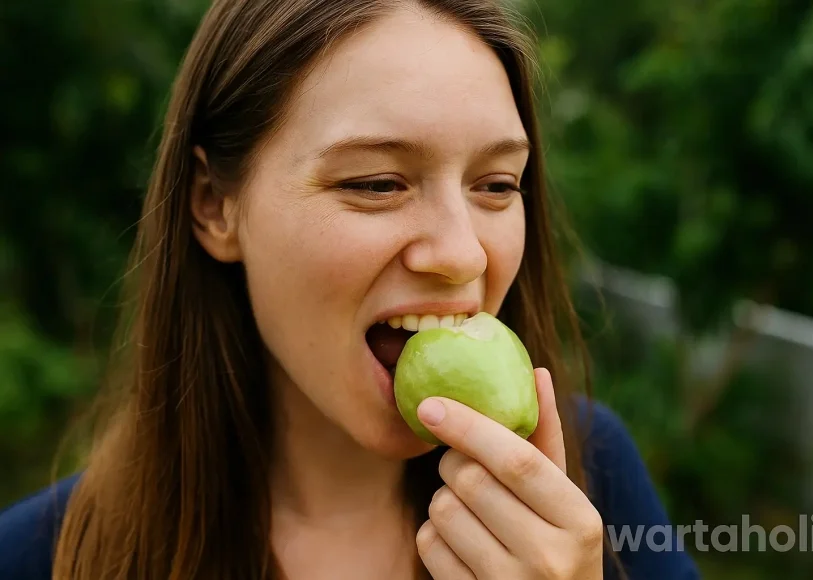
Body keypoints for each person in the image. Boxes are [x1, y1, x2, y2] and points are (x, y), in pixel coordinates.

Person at [0, 1, 701, 578]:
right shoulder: (38, 559)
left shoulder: (590, 480)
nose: (461, 254)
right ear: (214, 204)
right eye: (376, 183)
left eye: (496, 185)